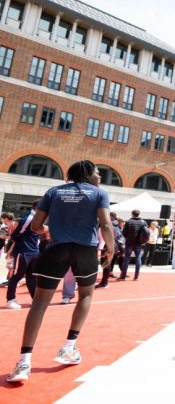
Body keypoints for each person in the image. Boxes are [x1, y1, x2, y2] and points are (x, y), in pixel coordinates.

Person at [7, 160, 114, 383]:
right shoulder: (99, 193)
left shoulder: (53, 192)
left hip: (56, 248)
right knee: (85, 295)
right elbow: (105, 224)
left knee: (39, 302)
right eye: (97, 173)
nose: (100, 177)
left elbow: (36, 226)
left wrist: (52, 229)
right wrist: (111, 249)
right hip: (85, 250)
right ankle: (69, 347)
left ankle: (24, 362)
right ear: (87, 174)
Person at [5, 200, 40, 309]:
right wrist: (21, 246)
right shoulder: (28, 218)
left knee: (32, 277)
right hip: (24, 252)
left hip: (34, 251)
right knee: (17, 276)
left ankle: (35, 300)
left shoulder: (39, 217)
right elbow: (15, 235)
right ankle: (10, 300)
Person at [95, 212, 124, 288]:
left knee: (105, 264)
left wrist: (100, 248)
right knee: (107, 263)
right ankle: (104, 282)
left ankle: (104, 282)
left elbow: (102, 238)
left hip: (107, 246)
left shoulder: (107, 225)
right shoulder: (116, 225)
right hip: (112, 246)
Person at [119, 210, 147, 281]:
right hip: (139, 243)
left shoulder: (128, 222)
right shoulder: (143, 222)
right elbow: (146, 233)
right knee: (138, 258)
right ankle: (136, 276)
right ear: (139, 214)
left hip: (129, 243)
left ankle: (123, 276)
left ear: (132, 214)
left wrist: (129, 237)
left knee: (126, 259)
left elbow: (124, 233)